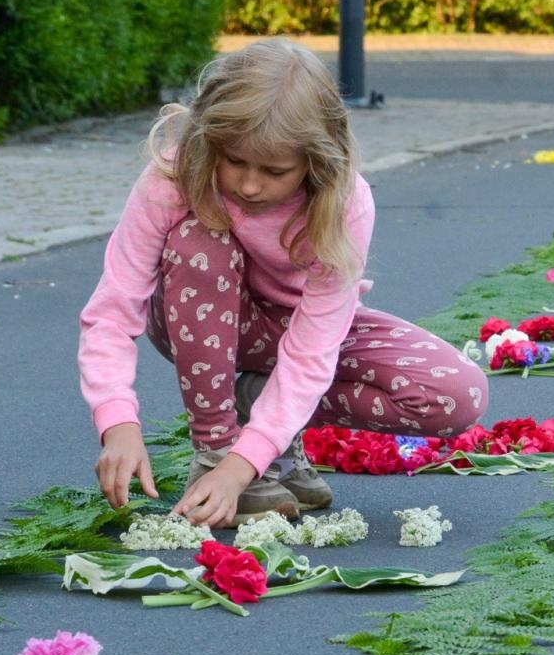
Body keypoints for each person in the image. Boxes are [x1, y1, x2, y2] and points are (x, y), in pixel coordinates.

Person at [78, 39, 489, 527]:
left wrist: (245, 463)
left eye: (274, 171)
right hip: (195, 321)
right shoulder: (175, 174)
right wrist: (117, 422)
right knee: (198, 240)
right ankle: (213, 449)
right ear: (211, 140)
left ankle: (257, 411)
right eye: (235, 162)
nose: (249, 186)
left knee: (456, 395)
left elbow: (313, 350)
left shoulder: (343, 201)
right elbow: (112, 310)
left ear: (317, 161)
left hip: (295, 331)